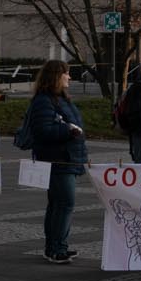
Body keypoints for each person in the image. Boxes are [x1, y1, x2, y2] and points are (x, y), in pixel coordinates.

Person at [25, 60, 88, 263]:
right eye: (66, 74)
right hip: (57, 160)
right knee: (64, 204)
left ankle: (55, 246)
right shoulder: (44, 101)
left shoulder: (59, 99)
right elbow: (42, 130)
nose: (69, 77)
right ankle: (56, 248)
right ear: (56, 77)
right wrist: (69, 130)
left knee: (58, 204)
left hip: (65, 158)